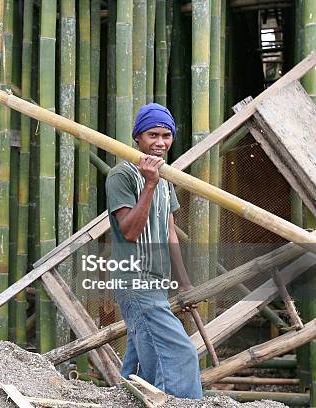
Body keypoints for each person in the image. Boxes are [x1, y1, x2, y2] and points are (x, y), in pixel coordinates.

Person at [105, 103, 203, 399]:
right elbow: (130, 231)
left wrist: (183, 284)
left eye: (166, 136)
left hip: (157, 282)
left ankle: (124, 401)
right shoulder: (121, 176)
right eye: (153, 135)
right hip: (135, 279)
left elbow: (170, 231)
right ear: (137, 137)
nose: (160, 143)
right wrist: (149, 184)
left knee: (141, 364)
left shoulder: (165, 179)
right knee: (180, 355)